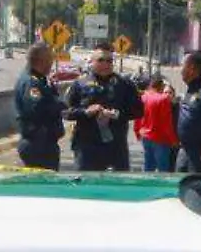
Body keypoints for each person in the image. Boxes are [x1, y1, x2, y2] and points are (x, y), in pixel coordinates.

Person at [62, 47, 143, 172]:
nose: (105, 64)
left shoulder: (124, 84)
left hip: (116, 147)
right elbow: (65, 111)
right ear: (92, 62)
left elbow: (139, 110)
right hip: (87, 148)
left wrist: (117, 114)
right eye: (101, 60)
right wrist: (85, 112)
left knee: (118, 185)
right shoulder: (80, 84)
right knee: (86, 185)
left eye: (109, 61)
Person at [12, 42, 65, 170]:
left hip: (45, 143)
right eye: (49, 60)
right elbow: (37, 109)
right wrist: (60, 105)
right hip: (38, 145)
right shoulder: (32, 83)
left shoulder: (40, 80)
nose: (51, 63)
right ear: (40, 61)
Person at [135, 76, 179, 173]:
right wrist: (173, 140)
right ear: (161, 86)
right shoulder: (163, 99)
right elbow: (166, 122)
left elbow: (138, 117)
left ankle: (148, 186)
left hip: (145, 136)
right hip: (160, 137)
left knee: (148, 166)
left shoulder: (143, 97)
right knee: (163, 169)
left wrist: (137, 131)